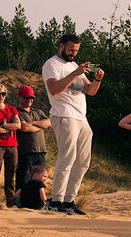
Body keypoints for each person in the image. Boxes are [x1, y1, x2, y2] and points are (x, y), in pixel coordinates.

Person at [43, 33, 103, 215]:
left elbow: (90, 91)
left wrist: (98, 79)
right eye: (70, 50)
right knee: (67, 158)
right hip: (64, 115)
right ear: (61, 46)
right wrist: (75, 73)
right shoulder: (51, 64)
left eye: (76, 51)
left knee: (83, 161)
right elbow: (53, 89)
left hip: (81, 117)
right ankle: (56, 200)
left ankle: (69, 200)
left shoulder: (74, 65)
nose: (73, 54)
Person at [14, 85, 50, 192]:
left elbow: (49, 123)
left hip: (41, 151)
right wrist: (40, 126)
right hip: (25, 152)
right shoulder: (16, 112)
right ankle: (21, 201)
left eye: (32, 98)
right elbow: (24, 127)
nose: (29, 100)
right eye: (26, 97)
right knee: (24, 179)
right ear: (19, 97)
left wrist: (33, 123)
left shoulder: (38, 112)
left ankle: (35, 200)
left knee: (39, 180)